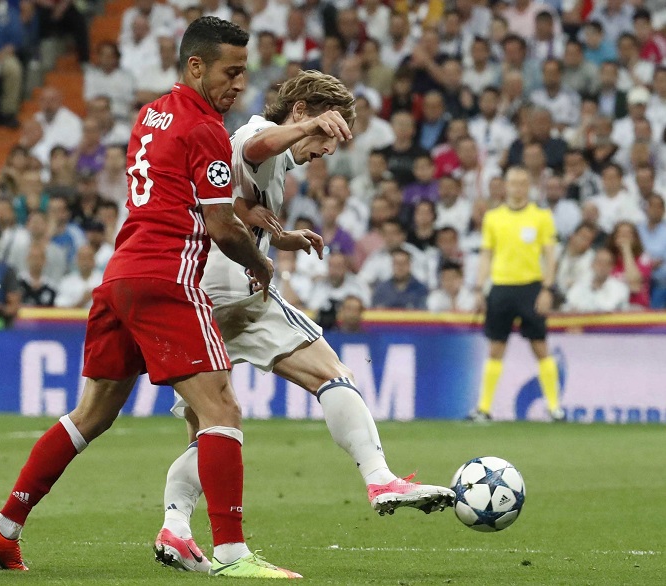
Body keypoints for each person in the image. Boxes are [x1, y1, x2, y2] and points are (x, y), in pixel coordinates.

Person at [0, 17, 299, 579]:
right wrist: (261, 261)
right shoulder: (207, 131)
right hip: (166, 277)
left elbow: (184, 191)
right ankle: (232, 555)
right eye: (231, 71)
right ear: (196, 65)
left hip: (121, 274)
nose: (239, 84)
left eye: (243, 72)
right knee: (221, 409)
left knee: (91, 414)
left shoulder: (152, 114)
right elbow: (220, 226)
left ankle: (3, 528)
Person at [155, 69, 455, 573]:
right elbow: (257, 145)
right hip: (235, 297)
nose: (326, 151)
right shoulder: (257, 133)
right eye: (326, 134)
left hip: (208, 296)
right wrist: (301, 129)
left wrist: (281, 237)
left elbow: (233, 203)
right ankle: (379, 476)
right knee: (330, 376)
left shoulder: (263, 154)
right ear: (301, 113)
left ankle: (175, 528)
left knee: (207, 427)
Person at [470, 167, 565, 422]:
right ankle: (484, 409)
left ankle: (554, 408)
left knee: (540, 346)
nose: (518, 188)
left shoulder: (541, 216)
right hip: (501, 287)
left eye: (523, 183)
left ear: (529, 186)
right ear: (506, 186)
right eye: (513, 183)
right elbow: (486, 254)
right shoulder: (493, 218)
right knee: (496, 348)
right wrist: (479, 287)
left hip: (531, 287)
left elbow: (550, 256)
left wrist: (547, 288)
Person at [563, 248, 630, 312]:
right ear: (592, 264)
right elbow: (566, 308)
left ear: (612, 267)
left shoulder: (620, 289)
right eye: (599, 262)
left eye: (607, 263)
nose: (602, 267)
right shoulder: (578, 286)